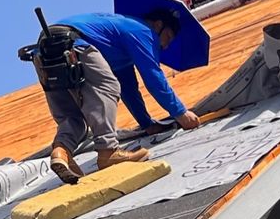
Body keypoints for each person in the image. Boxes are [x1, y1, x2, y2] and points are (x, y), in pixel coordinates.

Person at [43, 9, 201, 181]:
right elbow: (153, 77)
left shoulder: (120, 41)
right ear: (158, 25)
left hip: (45, 48)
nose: (166, 45)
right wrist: (181, 113)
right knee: (108, 86)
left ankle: (61, 151)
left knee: (73, 116)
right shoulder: (143, 30)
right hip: (73, 42)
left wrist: (146, 123)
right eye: (169, 37)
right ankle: (108, 152)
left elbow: (129, 89)